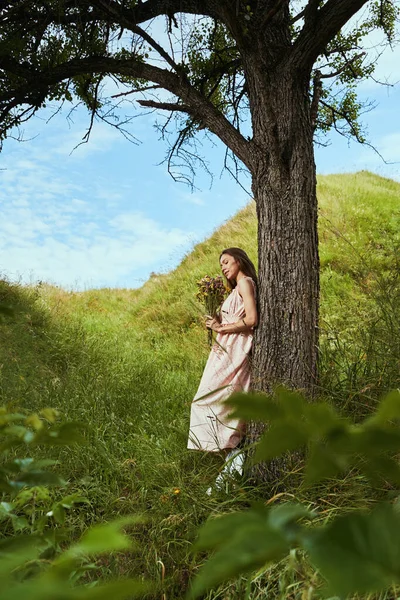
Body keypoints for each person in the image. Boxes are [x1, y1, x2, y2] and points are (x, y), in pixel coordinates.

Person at [187, 248, 258, 489]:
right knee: (212, 397)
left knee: (211, 397)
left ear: (239, 260)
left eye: (226, 262)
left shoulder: (246, 283)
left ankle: (234, 453)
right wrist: (216, 322)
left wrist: (222, 329)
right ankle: (232, 456)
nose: (224, 268)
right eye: (221, 265)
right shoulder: (235, 289)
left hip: (235, 346)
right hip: (224, 346)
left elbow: (251, 320)